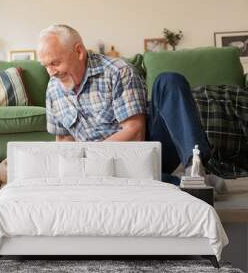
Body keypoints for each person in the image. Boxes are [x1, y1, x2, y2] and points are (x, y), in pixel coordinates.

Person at [38, 24, 226, 192]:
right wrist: (80, 165)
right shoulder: (53, 88)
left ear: (78, 52)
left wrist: (92, 154)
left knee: (168, 80)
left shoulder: (117, 70)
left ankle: (196, 168)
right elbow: (63, 138)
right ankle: (177, 184)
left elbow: (135, 132)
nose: (51, 72)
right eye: (46, 66)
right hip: (102, 166)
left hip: (144, 152)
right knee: (108, 180)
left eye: (55, 63)